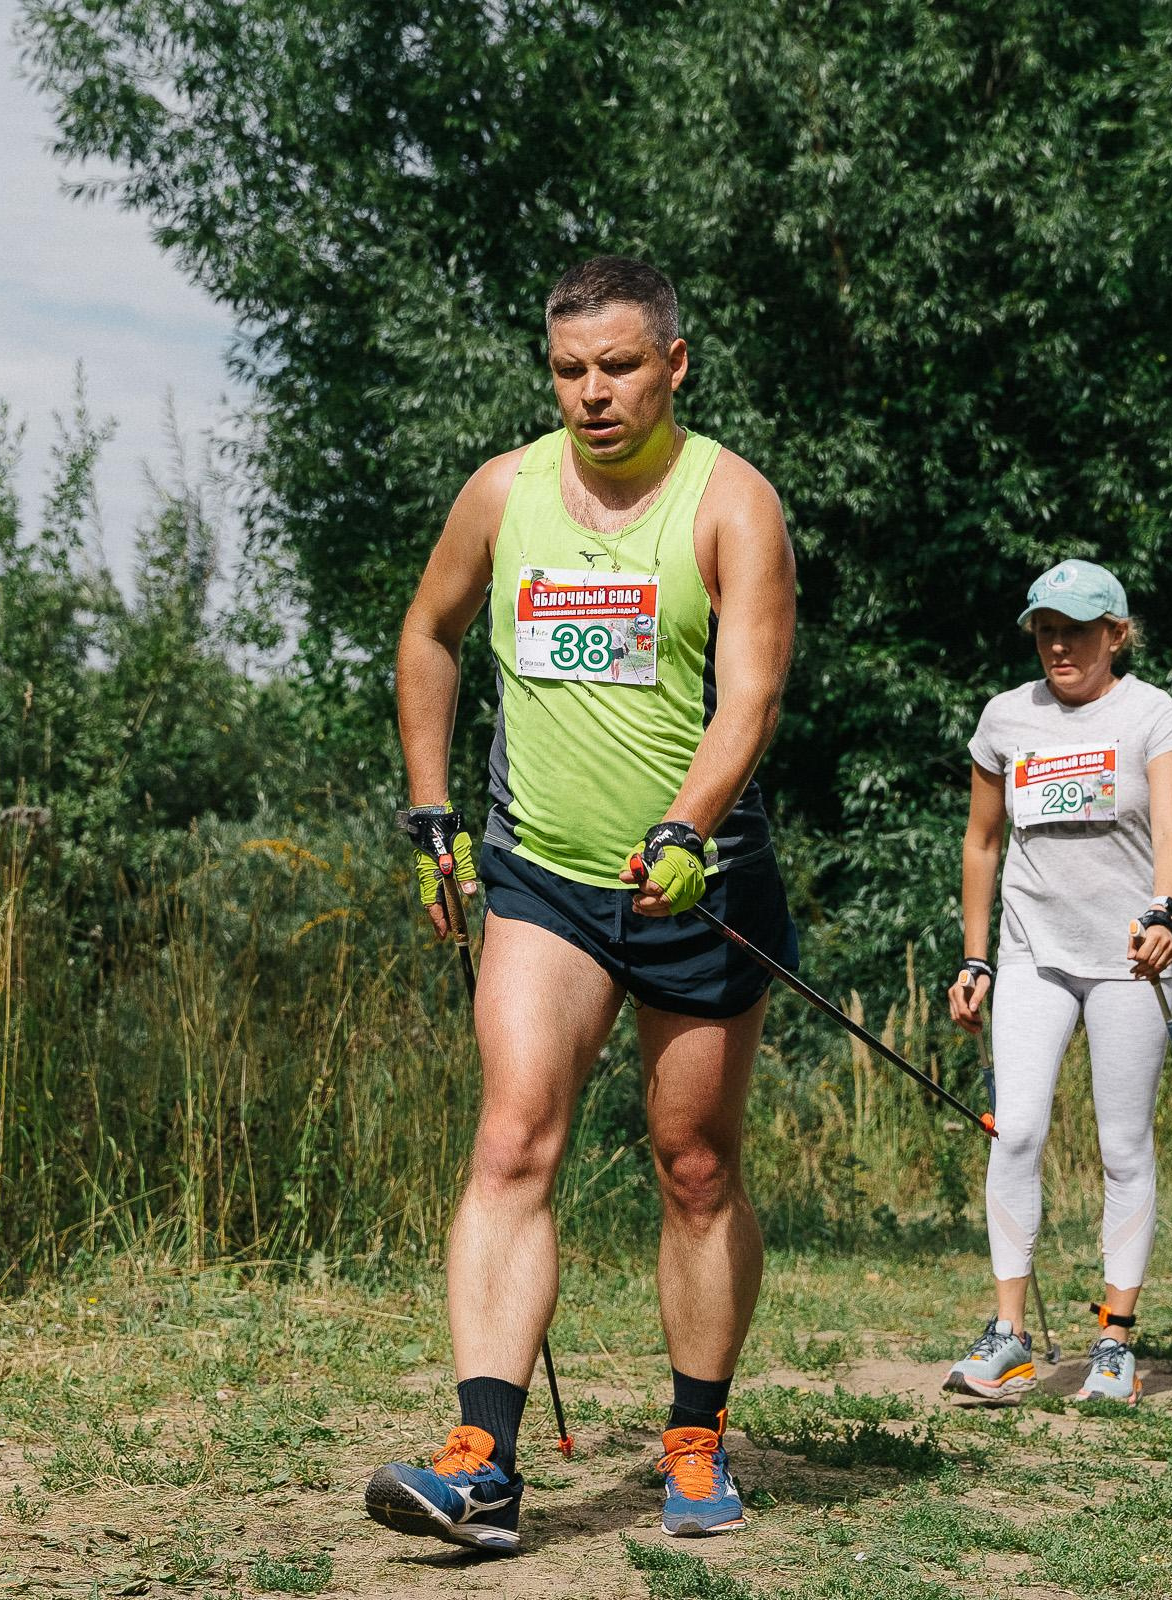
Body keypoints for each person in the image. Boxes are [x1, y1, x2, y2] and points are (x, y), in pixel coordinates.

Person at [367, 256, 798, 1554]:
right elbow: (428, 633)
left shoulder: (734, 505)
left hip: (693, 879)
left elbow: (751, 696)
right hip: (543, 876)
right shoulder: (503, 495)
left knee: (695, 1164)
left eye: (618, 366)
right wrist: (433, 810)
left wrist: (690, 824)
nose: (593, 394)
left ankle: (695, 1438)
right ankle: (482, 1463)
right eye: (569, 371)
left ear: (675, 362)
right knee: (512, 1140)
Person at [939, 559, 1172, 1405]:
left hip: (1128, 958)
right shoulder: (1007, 717)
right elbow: (982, 843)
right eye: (1045, 628)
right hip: (1031, 955)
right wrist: (975, 957)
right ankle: (1010, 1337)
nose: (1058, 644)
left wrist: (1164, 913)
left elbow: (1170, 830)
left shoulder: (1152, 715)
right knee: (1015, 1132)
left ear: (1115, 634)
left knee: (1123, 1146)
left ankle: (1114, 1341)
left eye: (1077, 629)